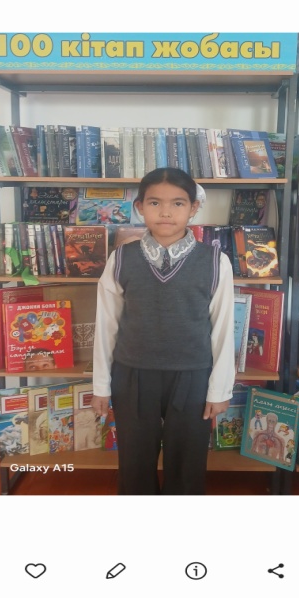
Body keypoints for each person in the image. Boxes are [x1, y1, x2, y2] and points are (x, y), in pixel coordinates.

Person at [91, 167, 235, 495]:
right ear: (140, 207)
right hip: (132, 375)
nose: (166, 212)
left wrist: (219, 389)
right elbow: (106, 325)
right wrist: (101, 385)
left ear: (193, 208)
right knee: (134, 462)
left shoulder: (215, 261)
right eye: (155, 203)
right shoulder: (121, 259)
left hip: (192, 376)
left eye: (178, 203)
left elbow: (223, 328)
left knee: (187, 464)